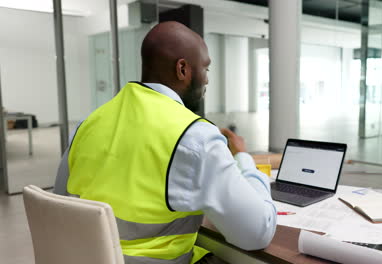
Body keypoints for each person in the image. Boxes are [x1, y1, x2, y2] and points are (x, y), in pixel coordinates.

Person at [54, 21, 276, 264]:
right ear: (183, 69)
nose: (207, 81)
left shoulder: (88, 124)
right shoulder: (195, 135)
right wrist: (244, 160)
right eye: (206, 69)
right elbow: (257, 232)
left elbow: (61, 204)